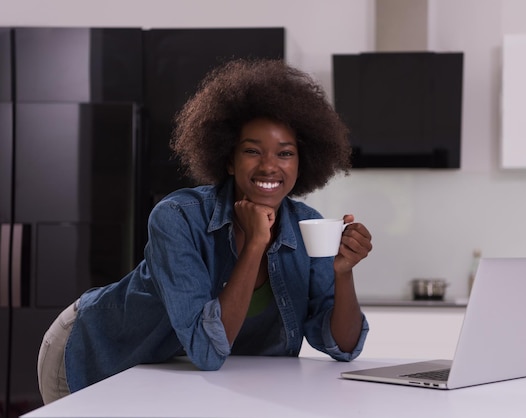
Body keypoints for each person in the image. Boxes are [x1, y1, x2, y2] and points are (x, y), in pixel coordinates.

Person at [37, 58, 373, 404]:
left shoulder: (306, 225)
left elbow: (342, 347)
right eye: (252, 151)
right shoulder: (178, 217)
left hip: (180, 382)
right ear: (229, 159)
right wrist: (255, 243)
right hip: (95, 356)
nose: (269, 165)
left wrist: (342, 273)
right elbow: (208, 350)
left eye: (285, 153)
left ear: (302, 162)